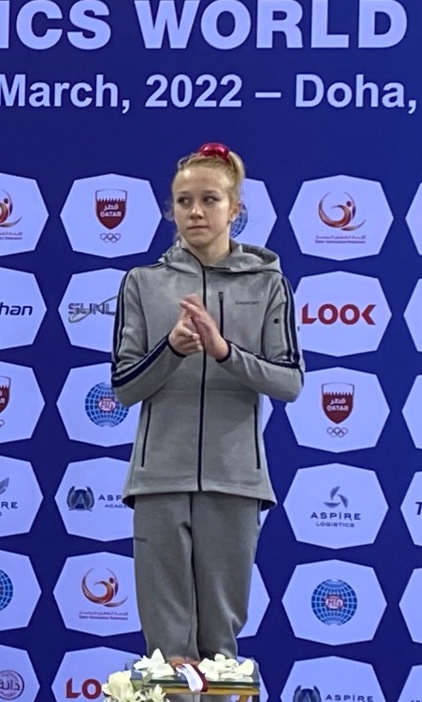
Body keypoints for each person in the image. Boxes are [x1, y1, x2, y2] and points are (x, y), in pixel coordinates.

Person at [111, 142, 304, 667]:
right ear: (170, 208)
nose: (195, 211)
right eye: (183, 201)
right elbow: (124, 387)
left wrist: (224, 352)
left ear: (234, 209)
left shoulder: (268, 284)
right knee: (167, 653)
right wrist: (172, 349)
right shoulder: (143, 283)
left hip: (235, 481)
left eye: (210, 200)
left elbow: (289, 382)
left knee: (220, 650)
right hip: (158, 483)